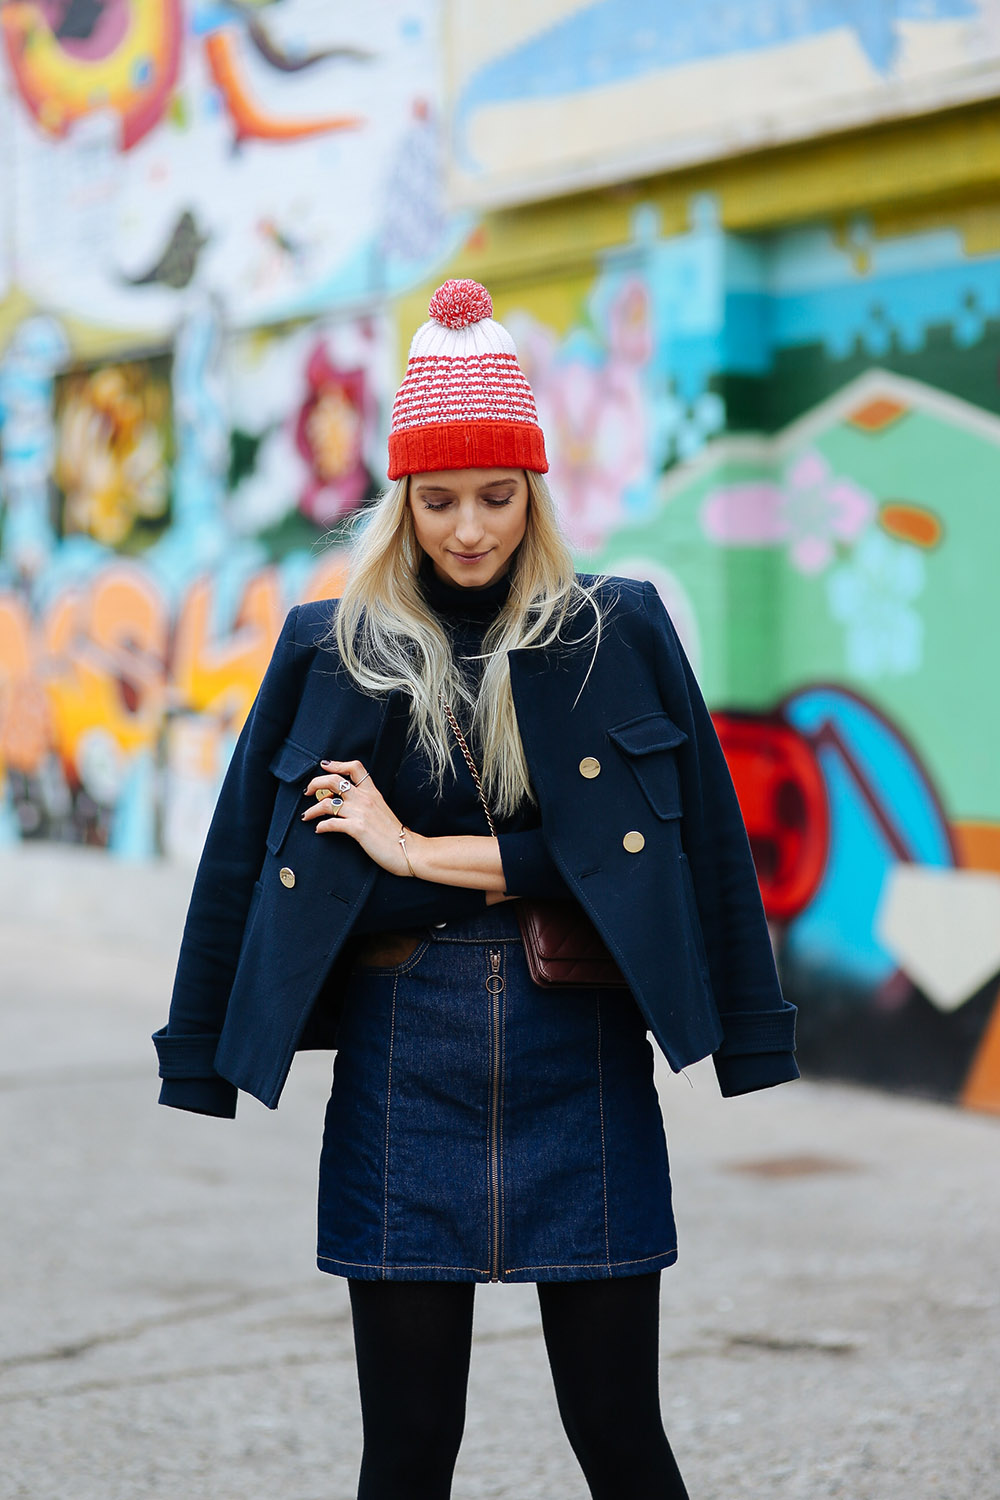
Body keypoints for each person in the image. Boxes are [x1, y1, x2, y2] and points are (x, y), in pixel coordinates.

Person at [153, 278, 798, 1499]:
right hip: (405, 1065)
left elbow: (678, 845)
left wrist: (410, 853)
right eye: (438, 499)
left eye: (496, 496)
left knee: (618, 1433)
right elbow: (243, 854)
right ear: (399, 498)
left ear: (534, 494)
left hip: (580, 1055)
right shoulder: (326, 647)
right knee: (405, 1452)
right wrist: (202, 1052)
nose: (467, 528)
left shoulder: (614, 630)